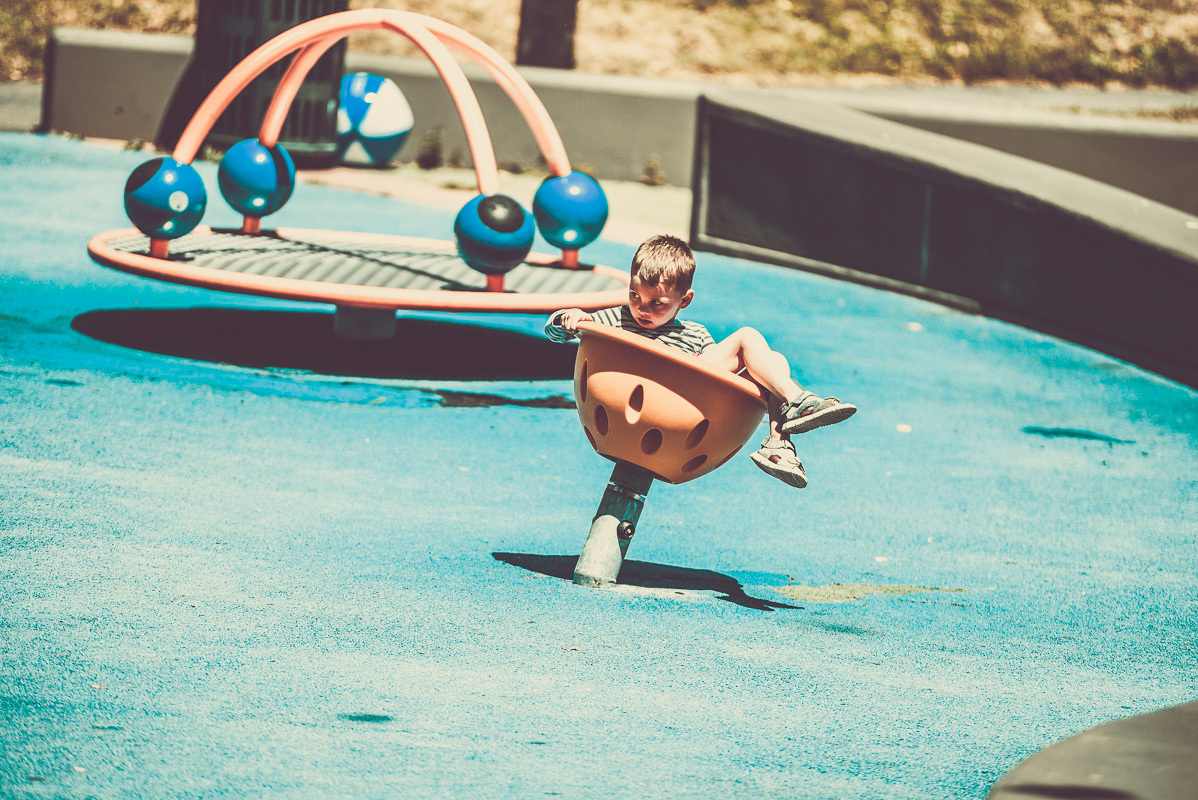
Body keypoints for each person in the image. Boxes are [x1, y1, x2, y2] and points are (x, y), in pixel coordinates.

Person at [544, 234, 856, 489]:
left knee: (774, 361)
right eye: (635, 295)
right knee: (747, 337)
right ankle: (797, 401)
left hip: (684, 404)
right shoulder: (616, 317)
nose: (642, 308)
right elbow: (558, 333)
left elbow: (721, 379)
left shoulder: (694, 334)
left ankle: (778, 444)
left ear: (685, 300)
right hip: (638, 398)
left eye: (657, 303)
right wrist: (568, 318)